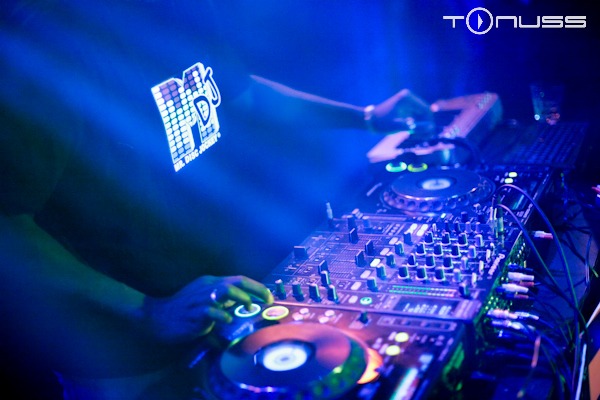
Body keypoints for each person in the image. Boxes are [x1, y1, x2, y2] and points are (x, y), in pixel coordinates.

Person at [0, 1, 432, 398]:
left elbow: (241, 94)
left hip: (227, 307)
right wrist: (147, 311)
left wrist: (366, 117)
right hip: (127, 355)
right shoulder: (36, 44)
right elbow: (12, 238)